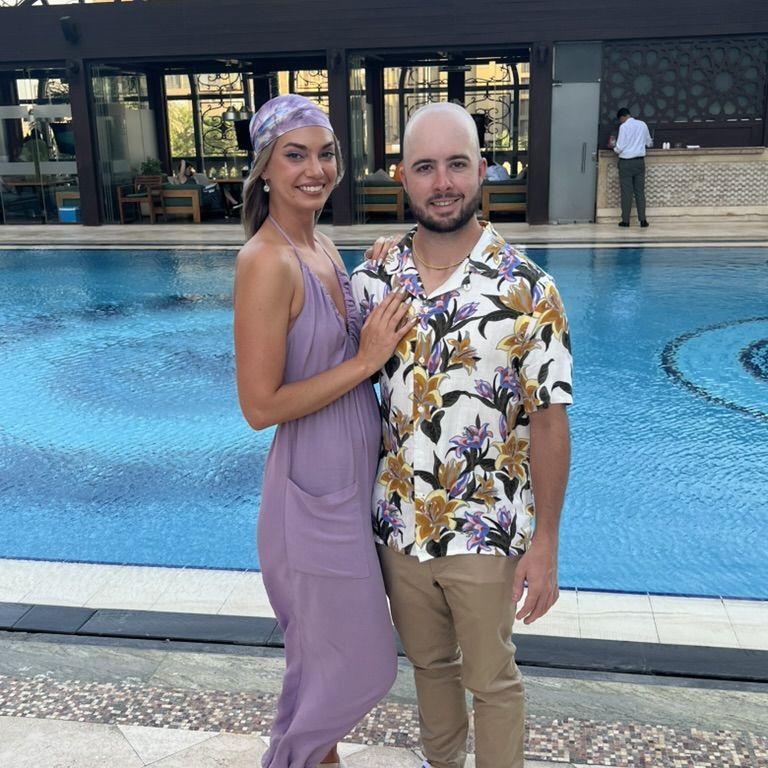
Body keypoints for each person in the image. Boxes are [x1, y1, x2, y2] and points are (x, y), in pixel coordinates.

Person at [351, 102, 573, 768]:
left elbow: (551, 422)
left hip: (486, 529)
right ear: (403, 177)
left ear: (481, 170)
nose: (443, 182)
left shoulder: (528, 289)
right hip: (398, 526)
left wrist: (546, 544)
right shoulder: (372, 283)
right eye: (425, 167)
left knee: (492, 680)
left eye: (456, 165)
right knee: (429, 666)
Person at [233, 94, 417, 768]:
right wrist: (365, 362)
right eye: (295, 155)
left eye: (326, 153)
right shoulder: (266, 261)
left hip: (350, 488)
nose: (315, 169)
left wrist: (380, 266)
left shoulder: (323, 246)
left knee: (320, 672)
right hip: (310, 497)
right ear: (265, 169)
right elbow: (259, 406)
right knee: (361, 667)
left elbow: (347, 337)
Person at [613, 107, 653, 228]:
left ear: (622, 117)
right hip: (640, 162)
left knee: (627, 193)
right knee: (640, 192)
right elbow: (649, 143)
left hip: (626, 163)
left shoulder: (624, 127)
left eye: (620, 120)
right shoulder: (643, 124)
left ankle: (625, 221)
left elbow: (620, 147)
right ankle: (643, 220)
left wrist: (614, 148)